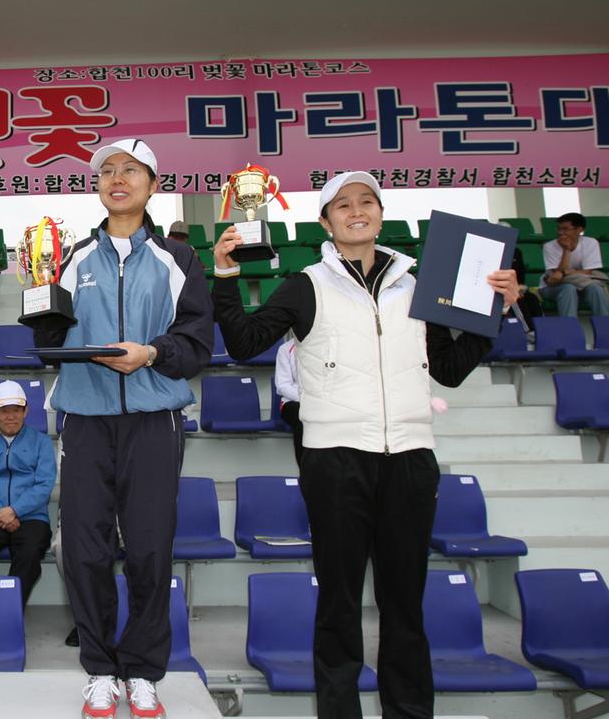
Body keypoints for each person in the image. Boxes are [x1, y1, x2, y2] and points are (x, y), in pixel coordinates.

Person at [211, 171, 520, 719]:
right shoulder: (307, 284)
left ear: (381, 213)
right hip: (334, 459)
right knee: (339, 602)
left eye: (368, 202)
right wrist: (225, 275)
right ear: (326, 222)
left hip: (410, 457)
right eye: (343, 204)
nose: (358, 211)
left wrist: (490, 311)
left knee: (405, 605)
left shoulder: (417, 282)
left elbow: (447, 371)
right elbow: (243, 342)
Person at [28, 138, 214, 719]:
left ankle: (143, 671)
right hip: (84, 418)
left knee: (151, 548)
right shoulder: (71, 255)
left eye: (129, 170)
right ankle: (101, 669)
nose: (117, 178)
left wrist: (152, 353)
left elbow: (196, 342)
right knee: (83, 549)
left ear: (153, 184)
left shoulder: (178, 259)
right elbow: (47, 345)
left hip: (155, 417)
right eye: (106, 170)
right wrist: (37, 292)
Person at [0, 381, 56, 608]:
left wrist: (14, 510)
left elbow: (44, 484)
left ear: (25, 411)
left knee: (29, 553)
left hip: (33, 518)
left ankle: (11, 609)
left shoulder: (42, 442)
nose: (11, 417)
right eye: (4, 411)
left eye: (16, 410)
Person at [539, 211, 609, 317]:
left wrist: (566, 272)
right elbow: (556, 277)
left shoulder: (591, 243)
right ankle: (569, 330)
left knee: (595, 288)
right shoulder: (549, 246)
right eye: (559, 228)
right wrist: (566, 250)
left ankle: (604, 327)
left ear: (579, 230)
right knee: (568, 288)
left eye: (565, 229)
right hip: (553, 287)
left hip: (583, 285)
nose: (561, 233)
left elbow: (588, 272)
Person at [273, 339, 304, 467]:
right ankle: (304, 468)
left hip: (323, 402)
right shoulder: (285, 349)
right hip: (292, 402)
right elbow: (282, 386)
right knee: (303, 419)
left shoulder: (325, 345)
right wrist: (307, 399)